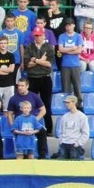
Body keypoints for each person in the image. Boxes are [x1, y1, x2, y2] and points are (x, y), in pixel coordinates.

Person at [23, 27, 55, 157]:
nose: (37, 37)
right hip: (32, 78)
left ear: (43, 35)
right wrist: (41, 61)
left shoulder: (48, 47)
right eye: (36, 35)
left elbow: (49, 64)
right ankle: (30, 126)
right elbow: (27, 65)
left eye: (39, 35)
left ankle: (49, 128)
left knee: (46, 104)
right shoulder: (29, 47)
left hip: (45, 78)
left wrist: (35, 60)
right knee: (30, 106)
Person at [58, 18, 84, 106]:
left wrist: (67, 51)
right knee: (65, 87)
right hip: (65, 65)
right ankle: (66, 104)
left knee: (77, 86)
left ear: (74, 25)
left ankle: (79, 104)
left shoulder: (78, 36)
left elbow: (79, 50)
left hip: (75, 64)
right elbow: (60, 49)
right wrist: (72, 48)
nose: (68, 27)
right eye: (66, 25)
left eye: (70, 25)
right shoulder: (61, 36)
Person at [56, 95, 89, 160]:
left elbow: (85, 133)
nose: (66, 104)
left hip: (74, 145)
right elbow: (61, 131)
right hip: (64, 144)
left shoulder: (82, 116)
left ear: (74, 103)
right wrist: (61, 141)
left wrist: (78, 143)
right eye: (66, 103)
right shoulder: (64, 116)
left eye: (68, 102)